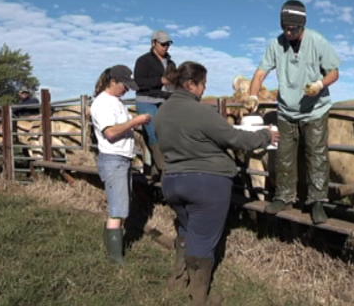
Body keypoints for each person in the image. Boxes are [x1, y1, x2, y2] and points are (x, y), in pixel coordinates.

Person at [154, 61, 279, 305]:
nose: (204, 89)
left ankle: (177, 282)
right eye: (202, 85)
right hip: (205, 185)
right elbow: (234, 137)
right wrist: (265, 135)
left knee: (186, 230)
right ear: (191, 84)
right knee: (203, 240)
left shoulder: (163, 112)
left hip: (172, 182)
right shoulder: (201, 112)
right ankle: (200, 296)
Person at [245, 0, 340, 225]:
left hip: (315, 111)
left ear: (302, 25)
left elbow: (334, 72)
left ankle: (317, 202)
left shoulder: (318, 42)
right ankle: (284, 197)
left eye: (293, 28)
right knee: (284, 156)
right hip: (287, 111)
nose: (288, 32)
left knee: (316, 157)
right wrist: (253, 95)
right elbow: (260, 73)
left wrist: (319, 84)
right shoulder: (276, 45)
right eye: (285, 27)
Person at [90, 64, 152, 264]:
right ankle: (116, 258)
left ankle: (111, 248)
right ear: (113, 82)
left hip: (121, 159)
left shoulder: (115, 101)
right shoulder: (103, 104)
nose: (127, 89)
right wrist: (135, 122)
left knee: (120, 206)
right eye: (125, 85)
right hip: (114, 159)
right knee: (118, 209)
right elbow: (110, 132)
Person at [134, 30, 177, 180]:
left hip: (165, 100)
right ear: (154, 43)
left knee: (167, 133)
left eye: (168, 44)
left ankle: (155, 171)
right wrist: (161, 80)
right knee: (153, 133)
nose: (166, 47)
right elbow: (138, 83)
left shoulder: (171, 63)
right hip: (146, 100)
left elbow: (173, 85)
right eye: (163, 44)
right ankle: (166, 171)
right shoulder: (143, 61)